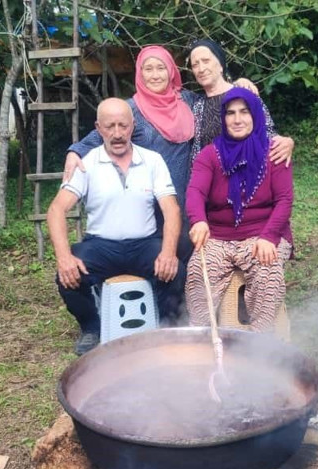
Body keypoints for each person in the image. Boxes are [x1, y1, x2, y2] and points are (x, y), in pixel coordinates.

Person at [63, 43, 294, 261]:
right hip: (149, 199)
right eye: (148, 69)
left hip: (189, 196)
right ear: (139, 73)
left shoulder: (189, 102)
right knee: (155, 258)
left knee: (188, 254)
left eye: (161, 68)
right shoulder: (133, 109)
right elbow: (104, 131)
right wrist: (75, 151)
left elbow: (240, 113)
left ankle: (197, 301)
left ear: (172, 72)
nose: (155, 75)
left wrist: (241, 85)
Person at [48, 98, 185, 355]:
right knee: (66, 275)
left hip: (144, 243)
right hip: (101, 245)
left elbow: (171, 208)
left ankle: (168, 329)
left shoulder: (152, 160)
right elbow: (57, 210)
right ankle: (91, 326)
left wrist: (168, 252)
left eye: (123, 125)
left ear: (133, 126)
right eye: (110, 127)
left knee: (175, 270)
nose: (118, 133)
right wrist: (64, 257)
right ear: (98, 129)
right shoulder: (86, 163)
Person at [185, 87, 293, 332]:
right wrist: (198, 221)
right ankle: (200, 337)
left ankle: (259, 343)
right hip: (219, 236)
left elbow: (285, 200)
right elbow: (195, 192)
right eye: (230, 113)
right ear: (223, 118)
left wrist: (269, 237)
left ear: (255, 115)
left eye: (244, 112)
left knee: (267, 269)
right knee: (197, 270)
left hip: (263, 232)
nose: (237, 119)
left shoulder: (274, 152)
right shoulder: (210, 155)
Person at [187, 39, 294, 166]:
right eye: (195, 65)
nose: (201, 69)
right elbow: (196, 151)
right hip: (211, 181)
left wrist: (287, 142)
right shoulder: (197, 105)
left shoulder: (245, 94)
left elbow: (267, 132)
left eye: (206, 61)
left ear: (221, 65)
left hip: (246, 176)